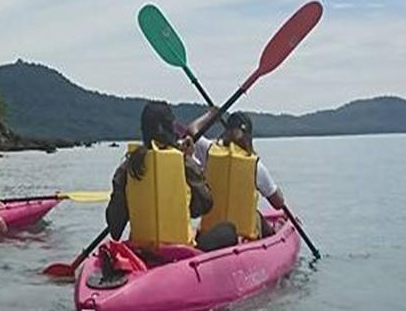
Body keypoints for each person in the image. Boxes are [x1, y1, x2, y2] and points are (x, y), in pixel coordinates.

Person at [105, 101, 200, 258]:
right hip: (181, 252)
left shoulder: (128, 167)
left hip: (141, 252)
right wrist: (190, 159)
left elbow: (115, 228)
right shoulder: (185, 163)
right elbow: (200, 208)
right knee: (226, 231)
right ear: (168, 128)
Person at [186, 109, 287, 241]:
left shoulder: (209, 151)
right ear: (248, 136)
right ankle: (271, 235)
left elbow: (192, 129)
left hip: (210, 232)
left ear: (226, 132)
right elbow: (278, 203)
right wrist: (274, 189)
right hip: (242, 237)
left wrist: (210, 115)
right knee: (255, 215)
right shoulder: (256, 166)